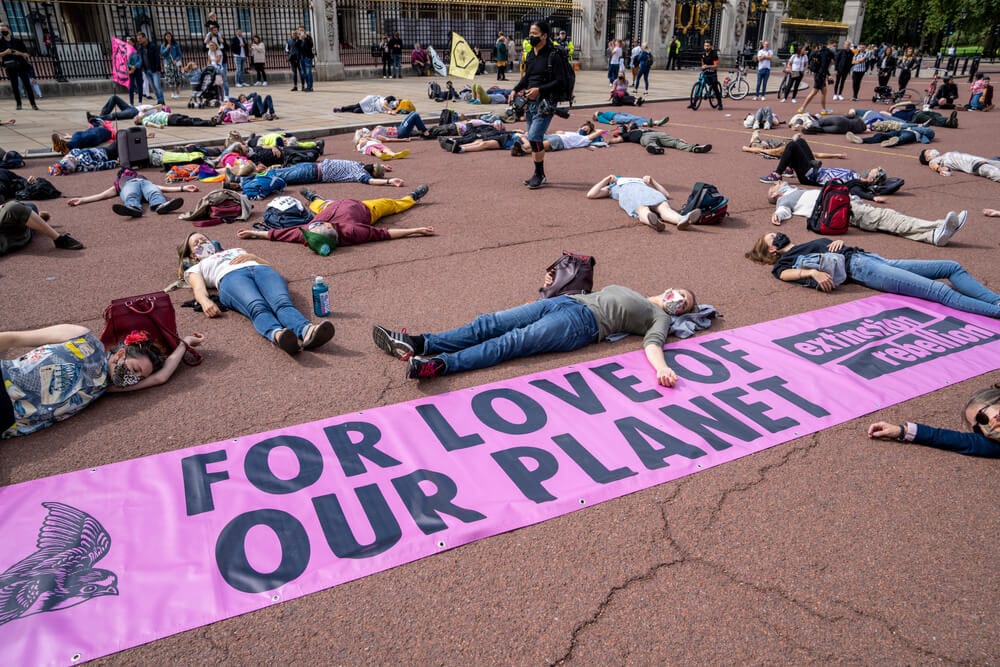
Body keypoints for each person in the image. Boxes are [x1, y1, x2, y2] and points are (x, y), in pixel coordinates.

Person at [372, 284, 700, 380]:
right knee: (487, 323)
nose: (678, 302)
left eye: (684, 304)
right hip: (563, 303)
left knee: (508, 344)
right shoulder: (639, 293)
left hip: (581, 326)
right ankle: (417, 342)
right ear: (670, 287)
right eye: (680, 295)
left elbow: (653, 344)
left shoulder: (660, 318)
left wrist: (663, 368)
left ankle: (438, 365)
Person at [1, 324, 203, 438]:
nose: (133, 379)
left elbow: (161, 377)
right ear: (120, 354)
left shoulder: (103, 387)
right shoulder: (81, 336)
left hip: (10, 419)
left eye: (139, 377)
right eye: (134, 369)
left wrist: (185, 343)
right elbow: (13, 338)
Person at [746, 232, 1000, 318]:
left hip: (872, 258)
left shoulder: (801, 245)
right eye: (772, 237)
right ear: (771, 248)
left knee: (950, 266)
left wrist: (838, 241)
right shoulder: (785, 261)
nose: (776, 235)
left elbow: (832, 249)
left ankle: (995, 301)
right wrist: (811, 271)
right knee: (939, 291)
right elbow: (784, 275)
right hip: (863, 269)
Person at [179, 232, 334, 354]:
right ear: (192, 255)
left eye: (204, 239)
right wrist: (206, 302)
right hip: (230, 278)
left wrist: (254, 257)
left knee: (281, 302)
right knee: (257, 306)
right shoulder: (195, 268)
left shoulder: (235, 250)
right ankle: (278, 335)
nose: (202, 243)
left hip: (261, 270)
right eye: (196, 243)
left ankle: (307, 330)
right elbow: (198, 289)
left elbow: (274, 269)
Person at [766, 181, 967, 246]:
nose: (781, 182)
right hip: (847, 211)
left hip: (847, 207)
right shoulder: (787, 197)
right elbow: (783, 210)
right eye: (776, 185)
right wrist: (778, 215)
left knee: (889, 219)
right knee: (888, 218)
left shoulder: (798, 191)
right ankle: (934, 231)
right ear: (776, 194)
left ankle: (935, 230)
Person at [237, 185, 432, 249]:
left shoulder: (309, 232)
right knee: (391, 204)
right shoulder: (353, 231)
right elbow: (385, 233)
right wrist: (415, 230)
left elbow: (279, 234)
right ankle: (412, 197)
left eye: (315, 225)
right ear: (330, 229)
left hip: (330, 206)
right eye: (317, 225)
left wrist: (254, 234)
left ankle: (313, 197)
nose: (311, 225)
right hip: (365, 208)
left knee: (317, 206)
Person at [510, 20, 568, 190]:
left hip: (546, 103)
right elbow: (527, 78)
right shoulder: (531, 54)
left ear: (544, 35)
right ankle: (539, 174)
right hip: (531, 103)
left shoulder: (553, 55)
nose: (531, 36)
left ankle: (539, 174)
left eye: (535, 34)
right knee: (534, 139)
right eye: (530, 33)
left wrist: (539, 90)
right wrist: (515, 90)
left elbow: (561, 81)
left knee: (535, 137)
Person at [867, 385, 1000, 458]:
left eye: (982, 417)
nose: (985, 427)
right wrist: (902, 431)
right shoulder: (994, 445)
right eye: (978, 428)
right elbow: (948, 438)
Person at [759, 137, 888, 188]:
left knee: (792, 145)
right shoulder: (856, 176)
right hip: (816, 169)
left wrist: (870, 192)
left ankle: (777, 174)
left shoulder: (856, 183)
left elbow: (853, 189)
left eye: (873, 171)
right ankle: (790, 167)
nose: (870, 169)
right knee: (800, 141)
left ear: (871, 178)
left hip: (810, 176)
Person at [67, 167, 199, 218]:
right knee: (132, 195)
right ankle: (133, 207)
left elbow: (159, 187)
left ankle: (160, 206)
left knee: (154, 192)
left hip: (145, 185)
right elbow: (102, 195)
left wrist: (183, 188)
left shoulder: (141, 178)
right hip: (130, 186)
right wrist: (82, 199)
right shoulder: (119, 183)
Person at [587, 174, 702, 231]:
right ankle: (653, 222)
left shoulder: (640, 181)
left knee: (664, 208)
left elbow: (667, 194)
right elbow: (591, 194)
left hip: (648, 191)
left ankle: (682, 220)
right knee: (642, 209)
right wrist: (606, 180)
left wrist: (653, 181)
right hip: (630, 193)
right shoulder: (612, 187)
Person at [248, 159, 405, 188]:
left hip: (313, 167)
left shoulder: (357, 165)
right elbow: (370, 181)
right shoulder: (359, 170)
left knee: (274, 173)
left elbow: (371, 176)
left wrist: (383, 169)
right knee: (274, 176)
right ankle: (245, 180)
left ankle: (242, 178)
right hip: (312, 172)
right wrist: (388, 180)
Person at [0, 200, 83, 253]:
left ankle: (34, 219)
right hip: (11, 236)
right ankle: (58, 238)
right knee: (19, 207)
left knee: (26, 206)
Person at [1, 22, 38, 110]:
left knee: (27, 85)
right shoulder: (0, 42)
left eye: (4, 29)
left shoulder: (17, 41)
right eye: (1, 30)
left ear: (8, 29)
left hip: (21, 65)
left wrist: (18, 53)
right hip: (10, 66)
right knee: (14, 86)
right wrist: (6, 52)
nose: (3, 31)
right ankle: (18, 104)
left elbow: (26, 54)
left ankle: (33, 104)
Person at [612, 122, 711, 154]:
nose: (630, 124)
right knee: (649, 142)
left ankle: (694, 148)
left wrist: (677, 138)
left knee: (674, 142)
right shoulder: (628, 134)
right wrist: (607, 141)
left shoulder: (642, 128)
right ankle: (656, 149)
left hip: (657, 134)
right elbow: (618, 139)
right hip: (644, 137)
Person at [742, 130, 846, 159]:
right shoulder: (799, 151)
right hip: (777, 142)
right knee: (757, 140)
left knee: (755, 142)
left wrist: (747, 149)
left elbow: (762, 151)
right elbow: (818, 154)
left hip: (766, 145)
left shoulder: (782, 151)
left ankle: (754, 138)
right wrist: (837, 155)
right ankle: (755, 137)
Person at [799, 39, 836, 115]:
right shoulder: (827, 53)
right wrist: (828, 75)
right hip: (820, 76)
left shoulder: (821, 51)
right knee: (814, 92)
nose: (835, 48)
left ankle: (824, 109)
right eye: (834, 46)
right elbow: (824, 66)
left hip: (818, 74)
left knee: (824, 91)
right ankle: (802, 108)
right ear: (831, 44)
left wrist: (827, 75)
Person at [919, 149, 1000, 182]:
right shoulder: (933, 161)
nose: (932, 150)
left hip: (982, 160)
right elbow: (933, 165)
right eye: (929, 151)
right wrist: (939, 169)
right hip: (974, 165)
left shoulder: (943, 156)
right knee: (994, 172)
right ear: (927, 158)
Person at [49, 118, 114, 154]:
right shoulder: (106, 131)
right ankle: (65, 145)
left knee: (79, 140)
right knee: (81, 140)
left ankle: (64, 145)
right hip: (88, 136)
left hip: (82, 136)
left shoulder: (99, 129)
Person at [689, 40, 723, 110]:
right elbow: (702, 63)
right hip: (705, 73)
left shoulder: (714, 54)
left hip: (712, 74)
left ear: (710, 46)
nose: (706, 47)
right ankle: (694, 103)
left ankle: (720, 104)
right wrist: (703, 67)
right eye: (705, 46)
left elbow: (716, 66)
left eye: (707, 46)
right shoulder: (703, 54)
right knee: (699, 87)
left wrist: (707, 66)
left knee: (715, 88)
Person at [136, 32, 165, 106]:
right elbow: (140, 58)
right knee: (153, 86)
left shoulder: (153, 46)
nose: (139, 40)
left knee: (157, 85)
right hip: (146, 69)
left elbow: (157, 58)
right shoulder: (140, 48)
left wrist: (158, 68)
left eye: (140, 38)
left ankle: (161, 100)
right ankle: (159, 100)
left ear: (145, 38)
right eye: (138, 39)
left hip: (154, 69)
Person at [204, 25, 228, 99]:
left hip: (218, 68)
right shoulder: (209, 51)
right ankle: (216, 96)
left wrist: (214, 52)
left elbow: (217, 60)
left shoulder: (218, 51)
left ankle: (225, 95)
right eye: (210, 46)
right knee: (213, 83)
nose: (211, 47)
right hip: (212, 68)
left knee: (222, 82)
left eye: (212, 46)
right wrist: (208, 67)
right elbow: (208, 60)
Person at [161, 32, 184, 99]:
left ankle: (177, 93)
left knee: (177, 78)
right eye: (167, 36)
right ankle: (172, 92)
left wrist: (176, 60)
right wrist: (167, 48)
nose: (168, 38)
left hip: (175, 63)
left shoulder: (175, 45)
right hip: (168, 63)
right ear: (165, 37)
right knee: (171, 79)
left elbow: (179, 54)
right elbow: (162, 54)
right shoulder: (163, 45)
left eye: (169, 36)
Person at [137, 109, 217, 128]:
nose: (141, 114)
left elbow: (159, 108)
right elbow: (149, 124)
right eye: (139, 116)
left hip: (172, 115)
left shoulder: (149, 115)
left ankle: (213, 121)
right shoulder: (145, 120)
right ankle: (209, 123)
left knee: (192, 119)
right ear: (139, 120)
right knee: (190, 121)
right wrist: (158, 126)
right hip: (169, 120)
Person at [592, 109, 670, 127]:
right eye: (596, 113)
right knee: (633, 119)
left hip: (619, 114)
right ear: (596, 116)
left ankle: (655, 122)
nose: (598, 111)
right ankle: (650, 123)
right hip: (616, 117)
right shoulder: (600, 117)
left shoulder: (603, 113)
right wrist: (609, 122)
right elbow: (602, 120)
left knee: (637, 117)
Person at [297, 26, 314, 92]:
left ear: (304, 31)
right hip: (301, 58)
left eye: (302, 30)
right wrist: (300, 39)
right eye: (300, 30)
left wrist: (306, 38)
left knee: (308, 72)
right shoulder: (298, 38)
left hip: (308, 57)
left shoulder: (308, 37)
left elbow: (311, 45)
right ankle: (308, 86)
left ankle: (310, 87)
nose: (301, 31)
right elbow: (296, 46)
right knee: (303, 73)